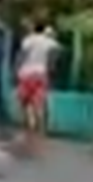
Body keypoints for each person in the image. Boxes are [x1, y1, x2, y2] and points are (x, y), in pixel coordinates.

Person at [15, 19, 60, 148]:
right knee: (39, 104)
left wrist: (16, 69)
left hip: (26, 74)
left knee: (24, 102)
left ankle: (29, 127)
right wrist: (50, 72)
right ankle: (41, 131)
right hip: (41, 75)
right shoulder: (50, 42)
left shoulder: (28, 40)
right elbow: (54, 59)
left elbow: (21, 56)